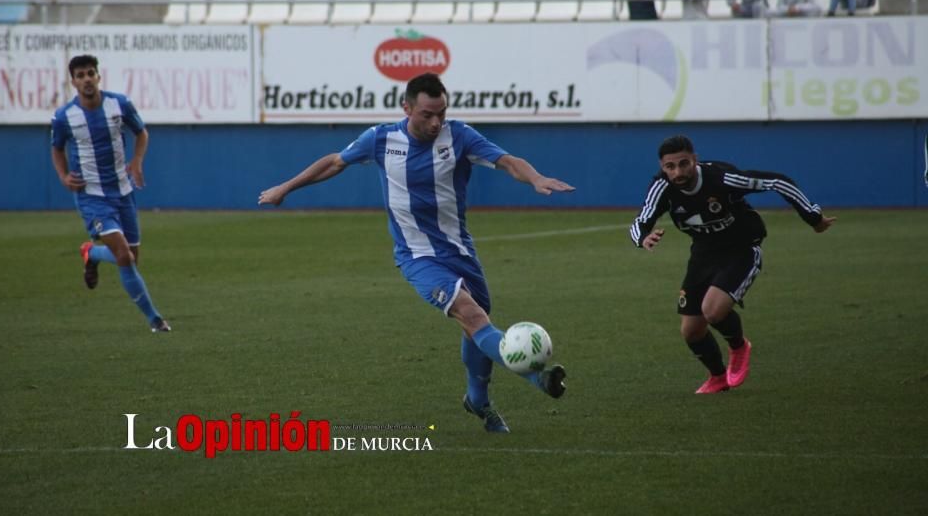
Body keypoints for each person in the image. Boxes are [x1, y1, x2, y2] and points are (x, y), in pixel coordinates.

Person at [258, 73, 573, 432]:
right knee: (471, 315)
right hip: (418, 257)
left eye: (441, 113)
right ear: (406, 108)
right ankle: (538, 378)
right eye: (426, 114)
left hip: (460, 251)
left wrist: (535, 178)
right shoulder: (380, 139)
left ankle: (478, 400)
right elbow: (334, 162)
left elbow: (508, 161)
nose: (435, 121)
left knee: (477, 323)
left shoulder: (460, 136)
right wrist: (285, 188)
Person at [629, 135, 835, 394]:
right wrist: (643, 238)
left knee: (712, 311)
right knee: (691, 331)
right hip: (704, 254)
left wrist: (813, 217)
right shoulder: (662, 187)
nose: (678, 172)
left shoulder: (722, 178)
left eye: (684, 164)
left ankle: (738, 346)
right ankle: (717, 377)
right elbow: (641, 220)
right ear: (663, 167)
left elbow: (777, 181)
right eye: (670, 167)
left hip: (741, 248)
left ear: (695, 160)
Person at [50, 55, 170, 333]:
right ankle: (155, 320)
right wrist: (63, 175)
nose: (87, 79)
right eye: (80, 75)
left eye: (91, 73)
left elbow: (141, 133)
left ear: (98, 76)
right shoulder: (64, 116)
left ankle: (91, 253)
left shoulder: (119, 104)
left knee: (130, 258)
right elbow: (57, 148)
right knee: (124, 256)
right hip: (92, 196)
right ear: (73, 82)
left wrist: (137, 161)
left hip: (123, 191)